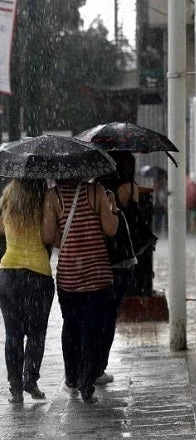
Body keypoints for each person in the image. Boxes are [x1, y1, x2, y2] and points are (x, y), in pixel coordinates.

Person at [47, 177, 118, 403]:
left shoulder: (53, 196)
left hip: (69, 276)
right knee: (93, 328)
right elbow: (111, 229)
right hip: (97, 274)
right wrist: (112, 207)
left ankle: (72, 378)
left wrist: (68, 243)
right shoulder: (95, 191)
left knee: (71, 326)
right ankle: (88, 382)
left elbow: (48, 236)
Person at [0, 178, 57, 404]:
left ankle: (15, 388)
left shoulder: (7, 196)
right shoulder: (46, 197)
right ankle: (30, 379)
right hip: (37, 275)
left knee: (13, 334)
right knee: (36, 333)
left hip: (7, 275)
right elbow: (48, 236)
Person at [96, 152, 139, 385]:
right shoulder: (129, 189)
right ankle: (99, 365)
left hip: (101, 259)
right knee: (109, 317)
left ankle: (92, 364)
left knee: (97, 315)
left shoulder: (98, 190)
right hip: (123, 259)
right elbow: (137, 220)